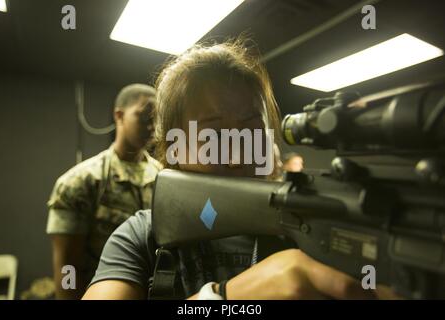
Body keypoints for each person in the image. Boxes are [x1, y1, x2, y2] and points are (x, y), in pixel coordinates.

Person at [82, 40, 391, 300]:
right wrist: (223, 298)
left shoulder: (312, 227)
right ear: (172, 149)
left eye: (252, 132)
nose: (236, 154)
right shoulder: (144, 236)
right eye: (212, 137)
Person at [46, 84, 162, 299]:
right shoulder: (82, 181)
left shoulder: (164, 178)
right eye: (144, 116)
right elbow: (67, 266)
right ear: (119, 115)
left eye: (156, 118)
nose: (151, 126)